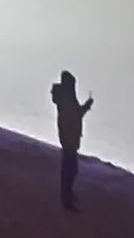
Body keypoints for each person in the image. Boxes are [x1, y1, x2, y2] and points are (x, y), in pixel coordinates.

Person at [50, 70, 93, 211]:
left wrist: (85, 107)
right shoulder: (68, 99)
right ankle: (66, 198)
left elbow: (75, 114)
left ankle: (68, 193)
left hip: (67, 136)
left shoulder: (65, 98)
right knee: (70, 169)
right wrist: (86, 106)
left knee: (69, 168)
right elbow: (76, 115)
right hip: (69, 137)